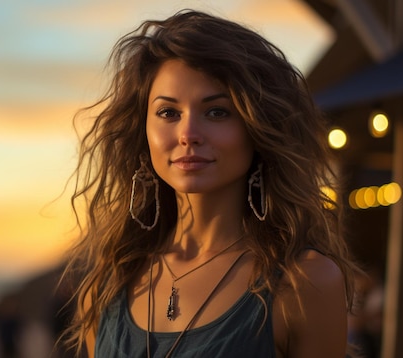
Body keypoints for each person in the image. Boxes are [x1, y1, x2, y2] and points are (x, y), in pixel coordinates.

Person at [60, 10, 360, 357]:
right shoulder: (106, 287)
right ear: (143, 131)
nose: (188, 134)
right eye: (169, 113)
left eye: (217, 112)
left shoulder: (304, 282)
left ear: (257, 127)